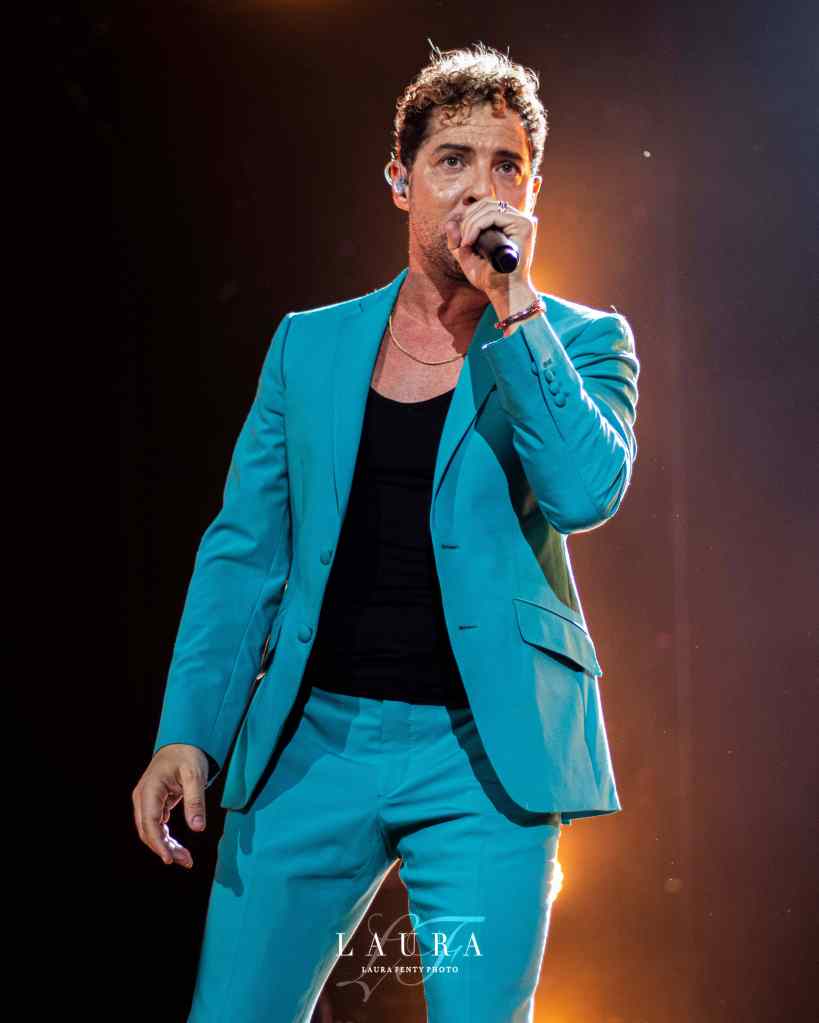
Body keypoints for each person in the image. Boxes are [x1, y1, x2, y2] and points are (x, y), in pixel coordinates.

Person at [132, 41, 640, 1023]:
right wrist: (188, 730)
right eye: (452, 160)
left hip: (485, 765)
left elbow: (584, 493)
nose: (480, 187)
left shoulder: (577, 340)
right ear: (400, 180)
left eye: (506, 166)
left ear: (533, 194)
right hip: (312, 747)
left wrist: (516, 306)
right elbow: (245, 553)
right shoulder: (308, 344)